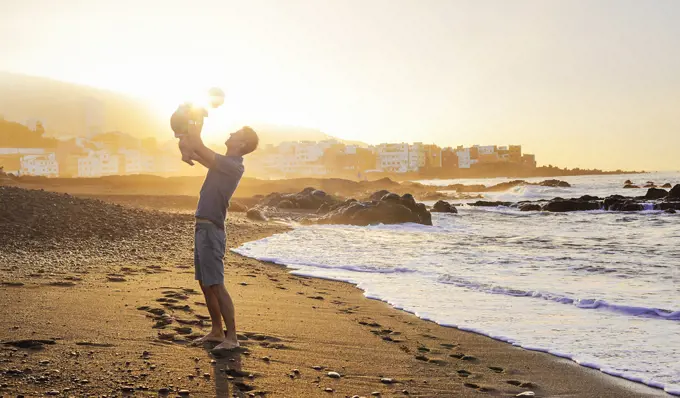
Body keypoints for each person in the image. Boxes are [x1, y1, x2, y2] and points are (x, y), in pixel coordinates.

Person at [185, 123, 259, 352]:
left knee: (216, 284)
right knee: (205, 284)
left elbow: (199, 146)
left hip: (211, 231)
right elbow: (197, 152)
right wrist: (184, 140)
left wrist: (195, 124)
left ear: (242, 144)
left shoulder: (232, 165)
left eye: (236, 134)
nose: (230, 134)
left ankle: (232, 338)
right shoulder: (222, 164)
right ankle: (217, 331)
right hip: (202, 228)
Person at [171, 87, 225, 166]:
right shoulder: (200, 107)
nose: (218, 106)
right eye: (219, 103)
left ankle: (186, 154)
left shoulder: (198, 104)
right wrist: (197, 136)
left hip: (178, 121)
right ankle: (187, 154)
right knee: (188, 138)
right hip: (182, 123)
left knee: (184, 138)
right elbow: (198, 124)